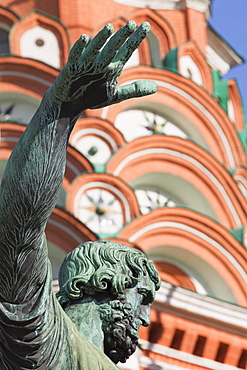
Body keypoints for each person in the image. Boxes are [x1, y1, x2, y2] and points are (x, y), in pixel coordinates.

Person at [0, 21, 160, 369]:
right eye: (142, 297)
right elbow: (19, 229)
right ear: (106, 285)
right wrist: (60, 111)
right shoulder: (47, 338)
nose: (146, 318)